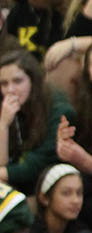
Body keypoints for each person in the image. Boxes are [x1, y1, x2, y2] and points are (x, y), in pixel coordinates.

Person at [0, 48, 72, 193]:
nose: (10, 90)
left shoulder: (58, 109)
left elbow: (34, 167)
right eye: (4, 84)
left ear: (33, 80)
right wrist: (3, 125)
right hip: (14, 180)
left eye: (17, 81)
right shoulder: (5, 107)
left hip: (50, 183)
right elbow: (2, 163)